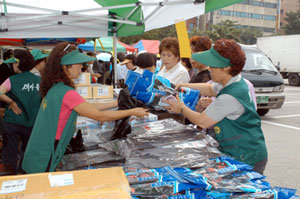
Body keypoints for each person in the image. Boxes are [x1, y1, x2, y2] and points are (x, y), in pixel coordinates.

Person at [22, 42, 149, 174]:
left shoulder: (57, 87)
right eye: (79, 64)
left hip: (41, 145)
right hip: (48, 149)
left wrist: (116, 103)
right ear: (66, 67)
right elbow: (99, 116)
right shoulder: (66, 92)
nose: (82, 67)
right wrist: (133, 111)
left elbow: (86, 107)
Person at [165, 39, 268, 174]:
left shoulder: (230, 96)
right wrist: (184, 85)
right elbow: (209, 89)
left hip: (246, 154)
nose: (209, 69)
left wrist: (182, 108)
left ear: (226, 68)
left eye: (213, 66)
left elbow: (203, 121)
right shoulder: (232, 81)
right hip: (240, 148)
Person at [0, 49, 42, 174]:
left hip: (13, 121)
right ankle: (24, 174)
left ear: (18, 64)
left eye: (14, 63)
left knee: (10, 150)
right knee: (28, 150)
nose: (12, 65)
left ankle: (10, 175)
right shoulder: (40, 80)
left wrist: (11, 102)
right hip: (32, 122)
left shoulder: (11, 80)